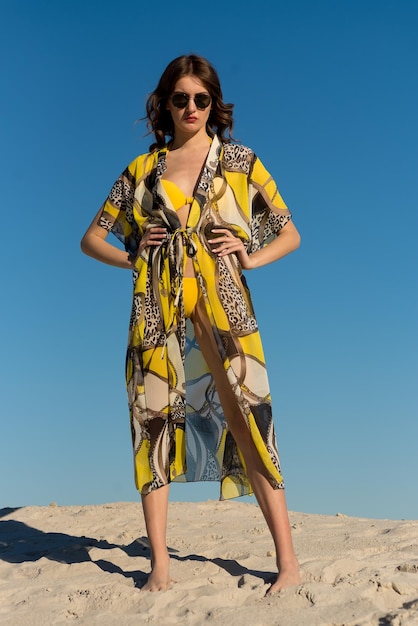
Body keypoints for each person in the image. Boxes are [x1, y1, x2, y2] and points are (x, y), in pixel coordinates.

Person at [80, 54, 301, 594]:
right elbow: (92, 238)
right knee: (153, 420)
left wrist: (250, 256)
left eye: (201, 99)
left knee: (250, 416)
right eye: (180, 98)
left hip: (224, 300)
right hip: (156, 302)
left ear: (214, 104)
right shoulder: (142, 170)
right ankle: (159, 562)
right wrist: (133, 258)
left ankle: (289, 564)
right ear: (166, 103)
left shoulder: (241, 160)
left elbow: (289, 232)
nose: (191, 108)